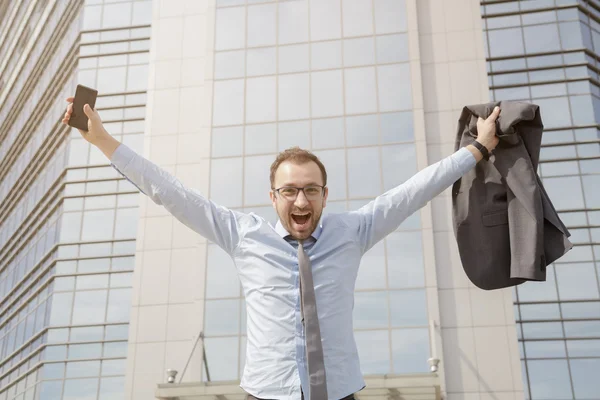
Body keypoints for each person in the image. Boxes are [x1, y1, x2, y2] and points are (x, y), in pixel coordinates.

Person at [62, 99, 500, 400]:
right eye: (289, 190)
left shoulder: (355, 230)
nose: (301, 201)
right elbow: (171, 192)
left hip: (340, 391)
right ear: (273, 197)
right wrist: (103, 141)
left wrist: (476, 149)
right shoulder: (242, 234)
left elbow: (413, 191)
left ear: (325, 195)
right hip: (265, 392)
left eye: (311, 190)